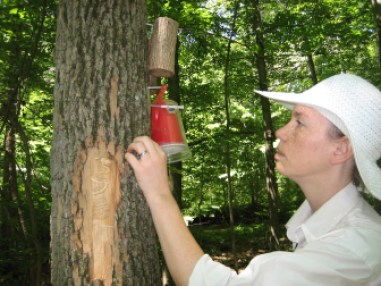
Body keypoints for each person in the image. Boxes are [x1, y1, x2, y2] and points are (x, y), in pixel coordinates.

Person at [125, 73, 381, 286]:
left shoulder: (355, 248)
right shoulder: (328, 229)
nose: (280, 131)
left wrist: (159, 193)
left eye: (300, 122)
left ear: (340, 150)